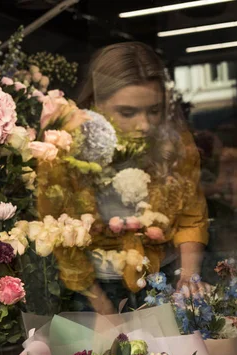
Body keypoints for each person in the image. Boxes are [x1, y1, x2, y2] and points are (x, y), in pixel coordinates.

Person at [37, 42, 209, 314]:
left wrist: (188, 277)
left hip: (161, 276)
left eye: (154, 110)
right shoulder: (65, 148)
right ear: (95, 103)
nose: (145, 125)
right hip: (90, 286)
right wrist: (101, 305)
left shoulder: (174, 143)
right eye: (128, 112)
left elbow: (192, 215)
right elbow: (57, 231)